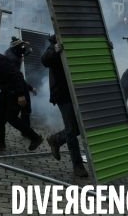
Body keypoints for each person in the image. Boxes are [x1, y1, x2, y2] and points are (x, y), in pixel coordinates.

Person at [41, 34, 88, 177]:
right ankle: (77, 164)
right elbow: (45, 60)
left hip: (78, 91)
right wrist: (55, 50)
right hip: (63, 94)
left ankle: (57, 139)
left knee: (82, 126)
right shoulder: (53, 45)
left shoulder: (76, 43)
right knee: (71, 129)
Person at [0, 53, 44, 152]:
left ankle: (35, 137)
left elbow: (17, 75)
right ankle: (0, 143)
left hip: (16, 91)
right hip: (6, 90)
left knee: (11, 117)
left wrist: (21, 94)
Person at [0, 37, 37, 138]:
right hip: (13, 89)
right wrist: (29, 88)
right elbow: (17, 77)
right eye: (22, 46)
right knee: (12, 114)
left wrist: (23, 45)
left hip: (9, 88)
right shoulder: (13, 60)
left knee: (2, 112)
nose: (24, 48)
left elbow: (19, 50)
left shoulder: (11, 52)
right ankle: (32, 136)